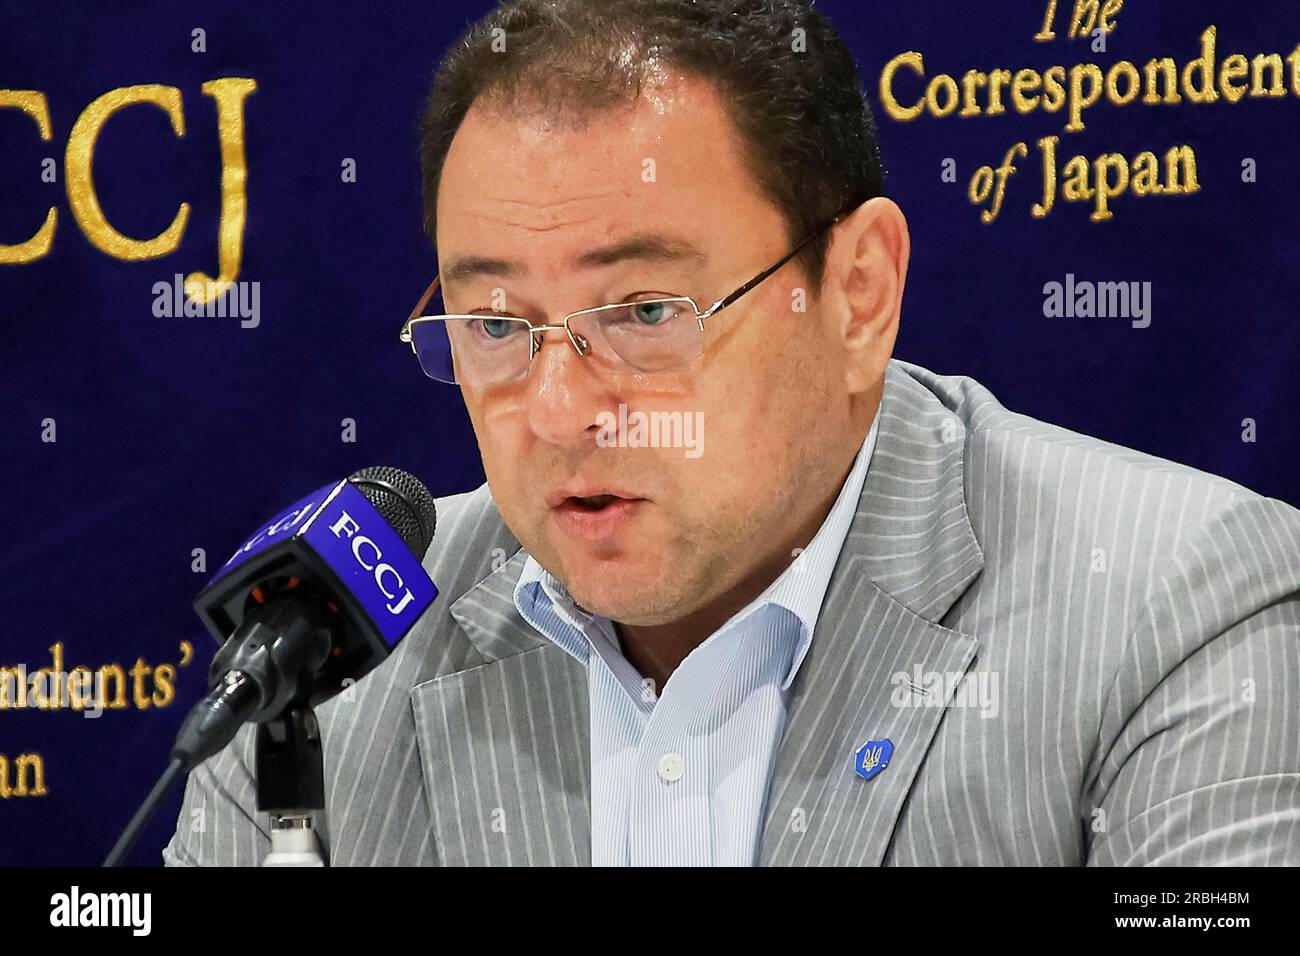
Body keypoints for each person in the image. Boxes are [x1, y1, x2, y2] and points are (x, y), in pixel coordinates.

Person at [164, 0, 1300, 866]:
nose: (558, 412)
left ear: (857, 291)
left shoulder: (1173, 607)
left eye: (646, 312)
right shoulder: (325, 651)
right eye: (498, 324)